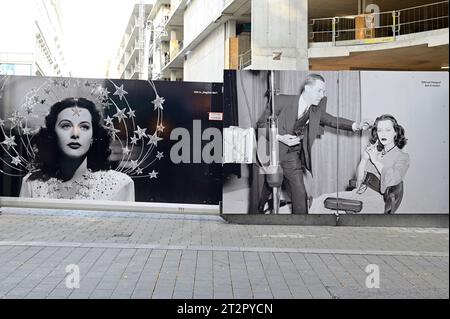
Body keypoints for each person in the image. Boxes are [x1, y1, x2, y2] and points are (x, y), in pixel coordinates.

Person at [256, 73, 369, 214]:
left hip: (291, 155)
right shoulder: (280, 101)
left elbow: (332, 120)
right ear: (308, 89)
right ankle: (258, 209)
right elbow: (261, 124)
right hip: (269, 151)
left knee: (300, 193)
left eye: (324, 92)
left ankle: (303, 223)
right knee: (264, 189)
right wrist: (279, 137)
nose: (322, 95)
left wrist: (356, 125)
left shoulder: (314, 110)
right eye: (319, 91)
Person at [20, 97, 135, 201]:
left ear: (93, 136)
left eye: (84, 127)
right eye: (66, 126)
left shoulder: (119, 185)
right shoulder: (32, 184)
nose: (75, 134)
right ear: (52, 134)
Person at [310, 114, 409, 214]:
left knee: (329, 210)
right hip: (359, 193)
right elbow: (359, 180)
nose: (383, 134)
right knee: (321, 201)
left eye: (387, 130)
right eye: (380, 130)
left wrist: (375, 161)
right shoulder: (376, 151)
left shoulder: (402, 157)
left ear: (395, 132)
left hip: (374, 201)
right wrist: (364, 159)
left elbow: (393, 178)